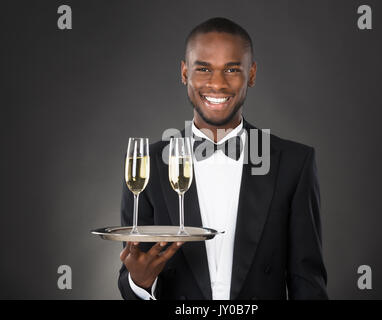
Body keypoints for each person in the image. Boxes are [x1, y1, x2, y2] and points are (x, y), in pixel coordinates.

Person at [118, 17, 328, 300]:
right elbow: (130, 275)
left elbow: (308, 283)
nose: (217, 84)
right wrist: (139, 283)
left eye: (232, 69)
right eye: (203, 68)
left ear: (251, 75)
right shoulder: (148, 163)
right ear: (184, 73)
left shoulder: (294, 163)